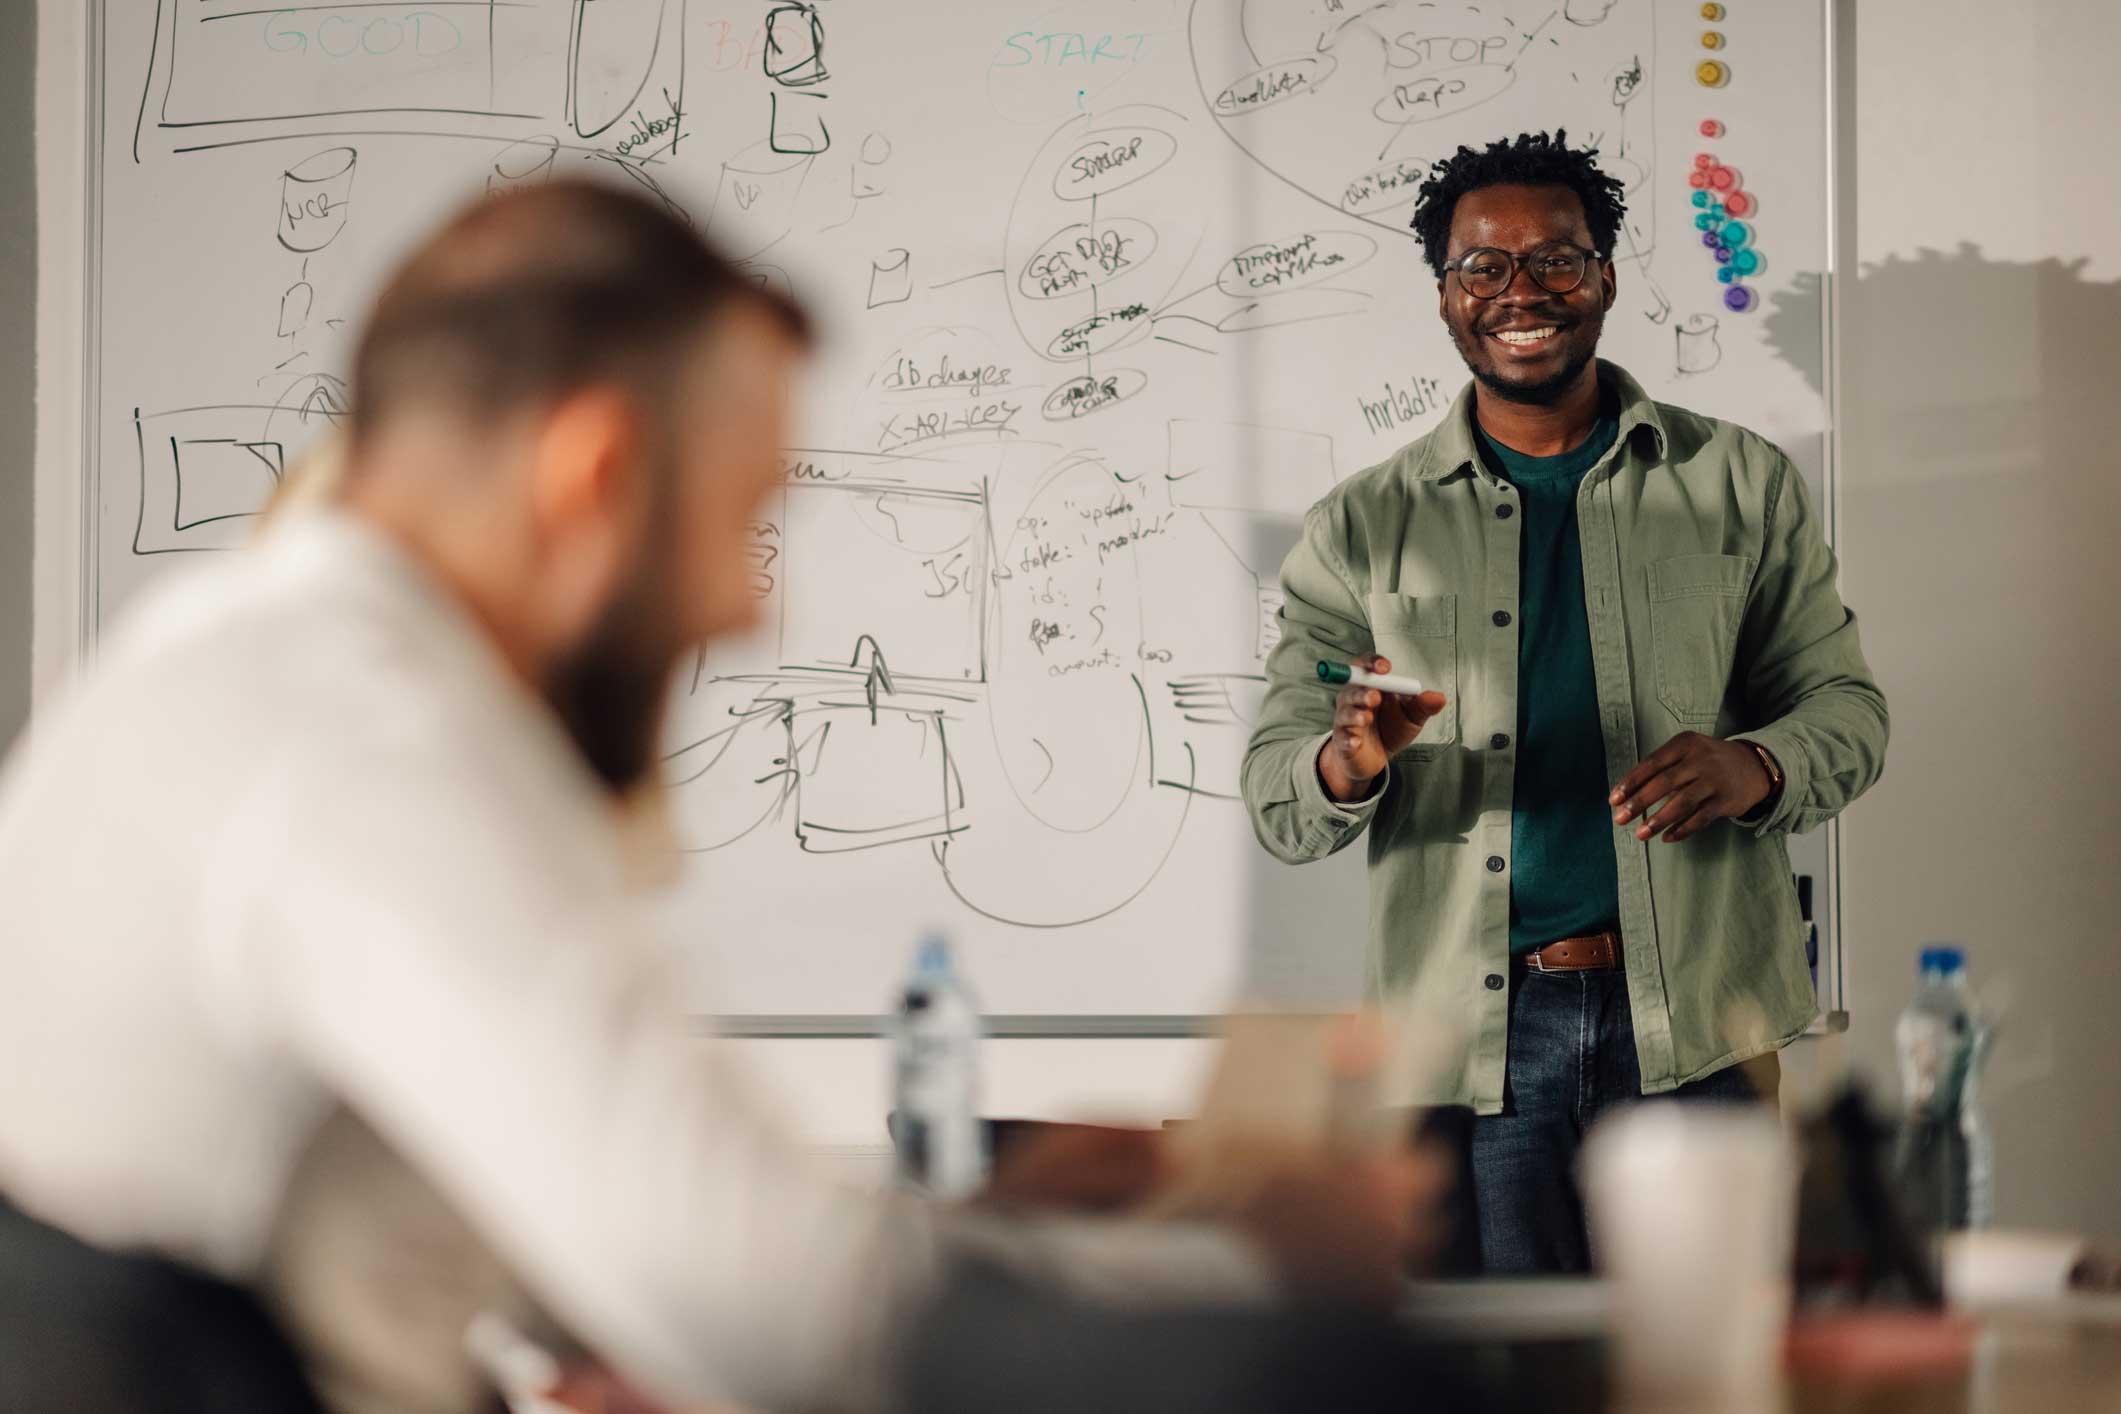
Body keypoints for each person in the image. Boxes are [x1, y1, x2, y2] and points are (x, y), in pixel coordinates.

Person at [0, 181, 1428, 1413]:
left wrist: (998, 1216)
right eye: (746, 517)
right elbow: (785, 1309)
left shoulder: (243, 660)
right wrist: (1259, 1255)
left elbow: (603, 1242)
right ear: (594, 477)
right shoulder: (364, 732)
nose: (753, 608)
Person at [1241, 132, 1889, 1275]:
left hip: (1697, 1022)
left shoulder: (1737, 483)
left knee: (1707, 1369)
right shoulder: (1359, 526)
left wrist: (1757, 766)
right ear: (1444, 293)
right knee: (1504, 1375)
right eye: (1482, 267)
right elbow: (1280, 796)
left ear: (1607, 277)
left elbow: (1846, 707)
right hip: (1475, 1043)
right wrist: (1351, 761)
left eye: (1556, 258)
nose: (1520, 292)